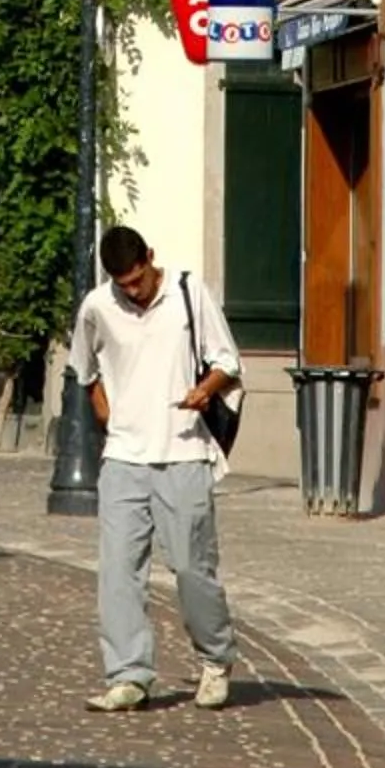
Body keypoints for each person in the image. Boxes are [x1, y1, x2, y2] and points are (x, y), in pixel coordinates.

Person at [71, 223, 242, 713]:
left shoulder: (189, 292)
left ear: (150, 257)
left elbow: (228, 361)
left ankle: (215, 660)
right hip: (124, 457)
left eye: (137, 280)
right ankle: (128, 675)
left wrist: (204, 390)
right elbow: (85, 370)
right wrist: (107, 415)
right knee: (118, 571)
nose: (132, 292)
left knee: (191, 567)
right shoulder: (97, 307)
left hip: (184, 451)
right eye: (122, 285)